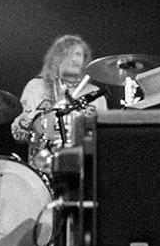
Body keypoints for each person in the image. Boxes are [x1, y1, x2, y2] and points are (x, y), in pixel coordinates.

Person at [11, 34, 106, 174]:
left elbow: (102, 138)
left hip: (84, 167)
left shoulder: (95, 94)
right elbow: (18, 133)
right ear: (56, 58)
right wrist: (23, 125)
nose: (74, 59)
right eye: (68, 54)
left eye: (78, 54)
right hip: (42, 167)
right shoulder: (35, 87)